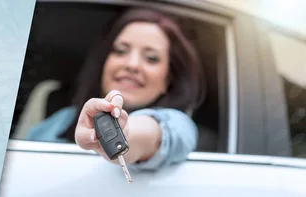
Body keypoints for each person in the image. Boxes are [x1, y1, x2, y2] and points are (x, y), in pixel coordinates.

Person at [26, 8, 206, 171]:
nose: (132, 65)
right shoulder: (62, 119)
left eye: (151, 58)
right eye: (120, 51)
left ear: (168, 80)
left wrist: (120, 134)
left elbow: (149, 134)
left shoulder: (178, 124)